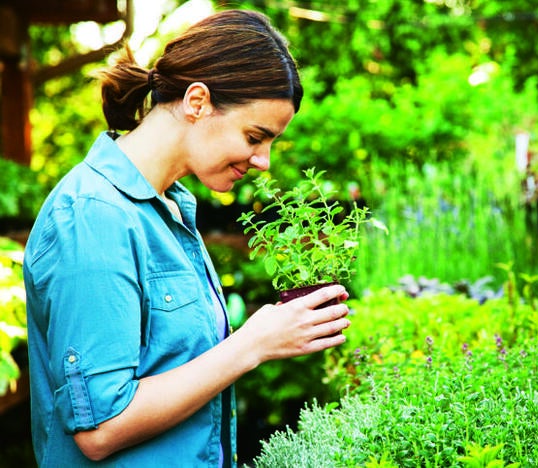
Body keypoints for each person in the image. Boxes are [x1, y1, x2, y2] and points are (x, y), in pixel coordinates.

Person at [23, 9, 351, 467]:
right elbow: (100, 428)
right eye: (255, 136)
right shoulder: (94, 216)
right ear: (197, 102)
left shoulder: (172, 210)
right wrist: (251, 345)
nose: (264, 161)